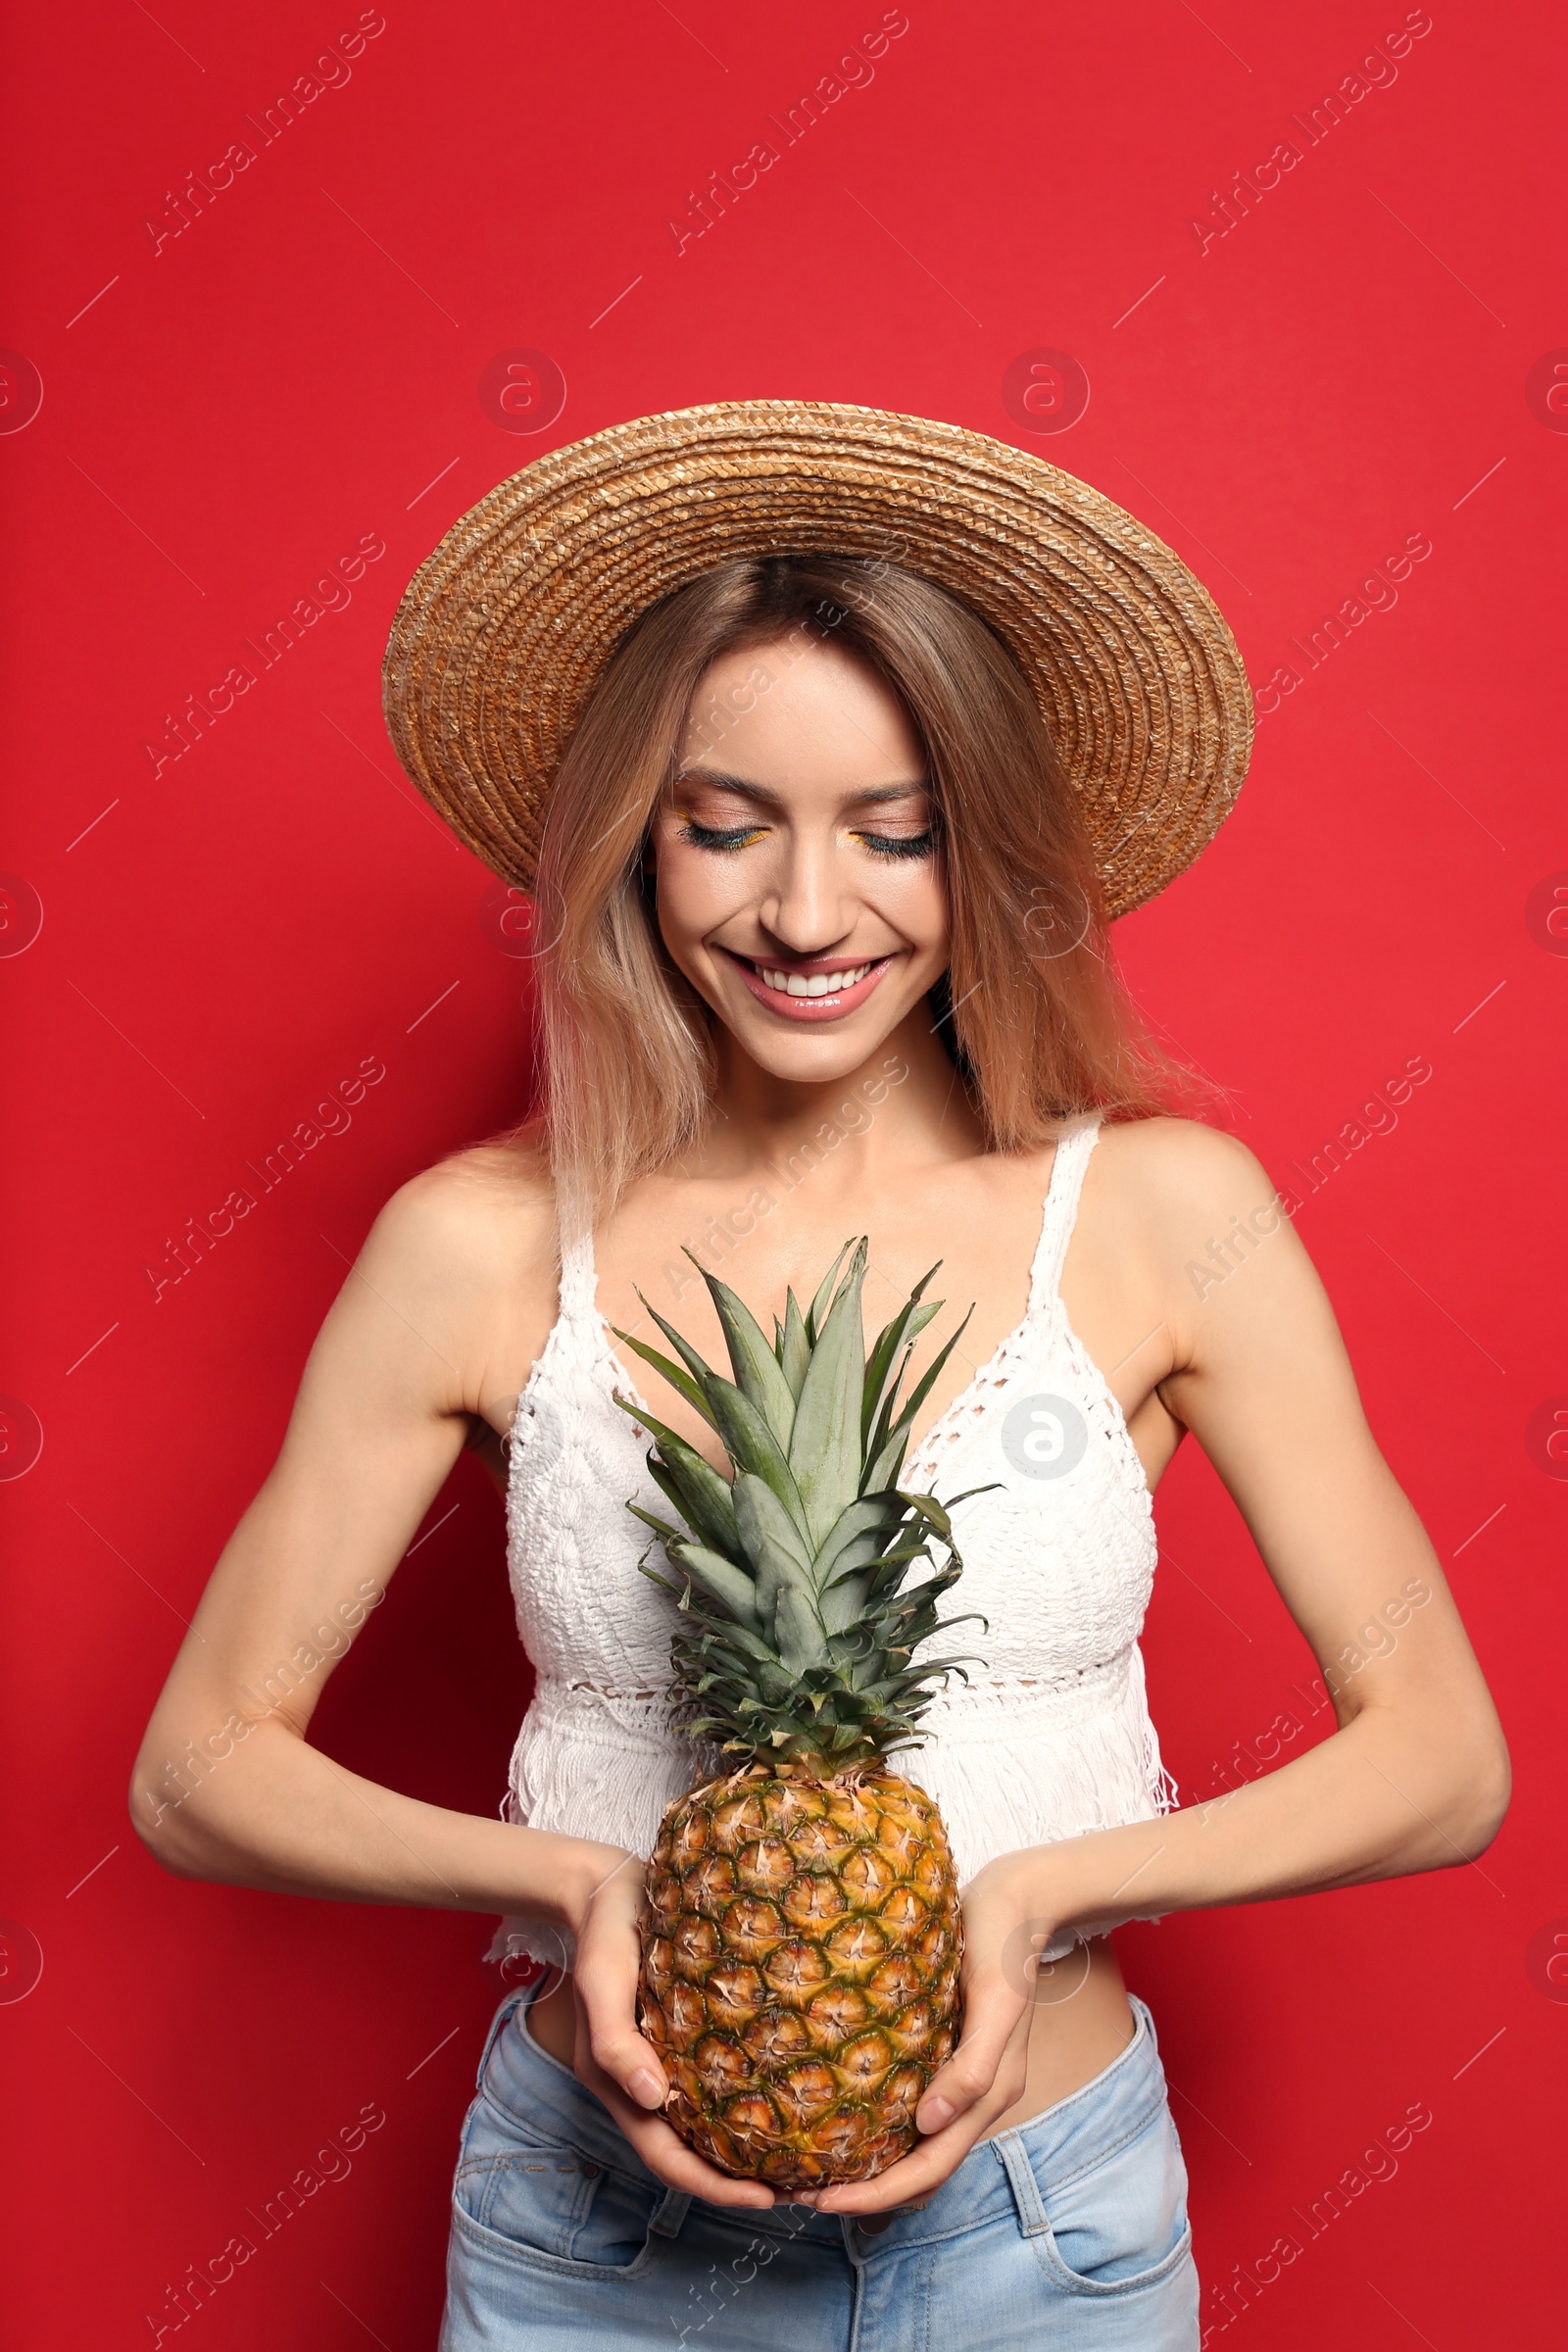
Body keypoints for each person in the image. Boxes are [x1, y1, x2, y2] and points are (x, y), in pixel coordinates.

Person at [132, 402, 1508, 2349]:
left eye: (896, 832)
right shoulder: (478, 1245)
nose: (801, 913)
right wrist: (580, 1886)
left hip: (1050, 2236)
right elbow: (199, 1767)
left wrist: (1032, 1898)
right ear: (632, 836)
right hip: (596, 2252)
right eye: (722, 824)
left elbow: (1439, 1758)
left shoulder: (1153, 1217)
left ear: (987, 854)